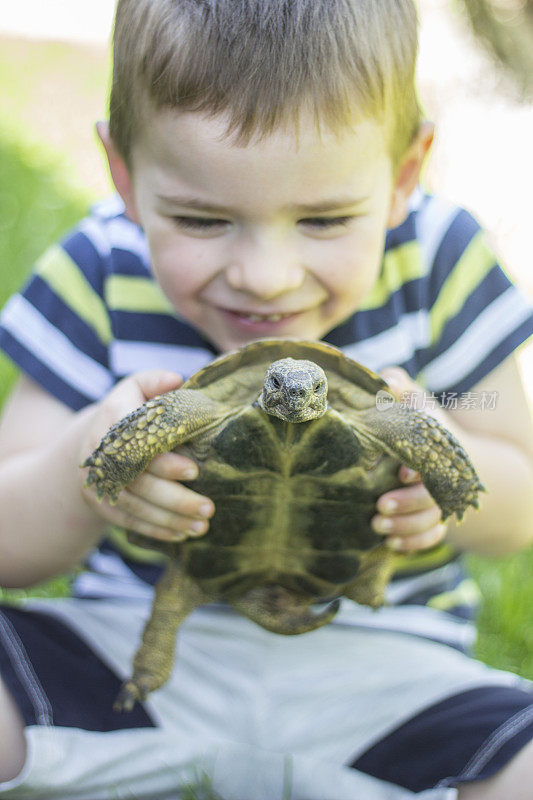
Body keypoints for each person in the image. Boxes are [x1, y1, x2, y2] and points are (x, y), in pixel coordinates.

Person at [0, 0, 532, 797]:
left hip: (386, 673)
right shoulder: (98, 268)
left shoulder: (441, 265)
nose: (265, 275)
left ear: (403, 175)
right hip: (129, 656)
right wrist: (89, 464)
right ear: (125, 175)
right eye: (200, 218)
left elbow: (518, 502)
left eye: (323, 219)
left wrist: (443, 485)